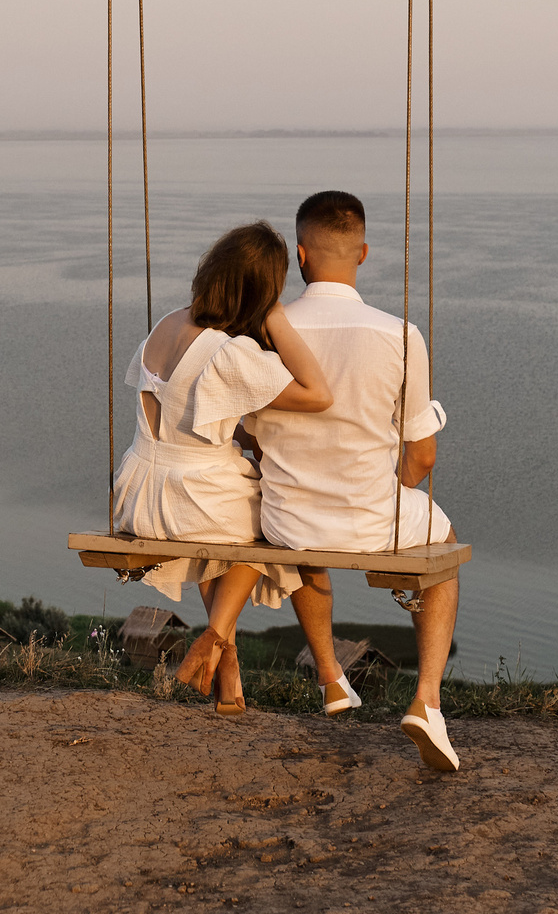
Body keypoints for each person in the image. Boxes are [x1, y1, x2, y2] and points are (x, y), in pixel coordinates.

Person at [244, 190, 464, 770]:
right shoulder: (399, 335)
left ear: (299, 256)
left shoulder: (267, 330)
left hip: (289, 520)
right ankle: (427, 701)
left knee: (302, 540)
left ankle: (331, 677)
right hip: (372, 520)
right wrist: (391, 489)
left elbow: (247, 433)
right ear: (363, 253)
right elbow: (422, 455)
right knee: (441, 548)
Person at [110, 221, 334, 715]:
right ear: (263, 290)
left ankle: (229, 673)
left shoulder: (167, 323)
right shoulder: (231, 351)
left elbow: (181, 415)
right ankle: (213, 636)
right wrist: (274, 318)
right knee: (275, 523)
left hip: (139, 492)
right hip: (190, 497)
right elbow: (319, 393)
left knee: (226, 523)